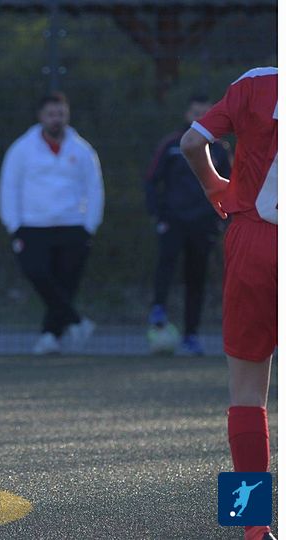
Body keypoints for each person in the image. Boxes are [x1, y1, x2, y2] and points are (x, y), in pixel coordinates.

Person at [180, 67, 277, 540]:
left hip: (255, 241)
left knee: (246, 392)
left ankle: (252, 526)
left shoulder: (256, 83)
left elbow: (191, 143)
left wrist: (213, 185)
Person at [0, 92, 104, 355]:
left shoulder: (82, 150)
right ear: (41, 116)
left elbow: (94, 188)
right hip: (32, 226)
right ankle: (77, 322)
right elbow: (9, 187)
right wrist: (14, 225)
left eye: (61, 114)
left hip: (73, 225)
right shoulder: (22, 149)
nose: (56, 119)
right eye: (51, 114)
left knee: (66, 284)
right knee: (38, 274)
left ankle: (50, 337)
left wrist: (89, 225)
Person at [144, 95, 231, 355]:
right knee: (166, 266)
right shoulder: (172, 144)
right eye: (195, 113)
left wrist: (222, 218)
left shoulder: (219, 149)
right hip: (173, 221)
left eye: (205, 113)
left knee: (196, 279)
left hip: (203, 224)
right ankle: (158, 309)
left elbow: (232, 186)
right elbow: (151, 180)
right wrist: (158, 214)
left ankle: (191, 335)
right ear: (187, 114)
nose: (199, 118)